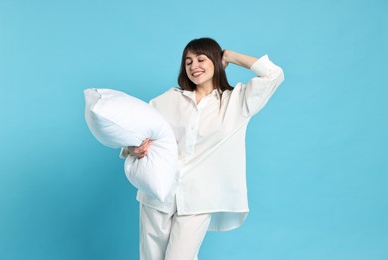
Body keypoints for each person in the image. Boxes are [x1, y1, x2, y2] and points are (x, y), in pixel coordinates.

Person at [121, 37, 284, 260]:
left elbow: (274, 74)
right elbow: (135, 134)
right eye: (188, 62)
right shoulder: (167, 100)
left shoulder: (237, 102)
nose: (193, 66)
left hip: (200, 197)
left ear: (216, 61)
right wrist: (132, 148)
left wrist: (229, 56)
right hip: (157, 192)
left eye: (201, 59)